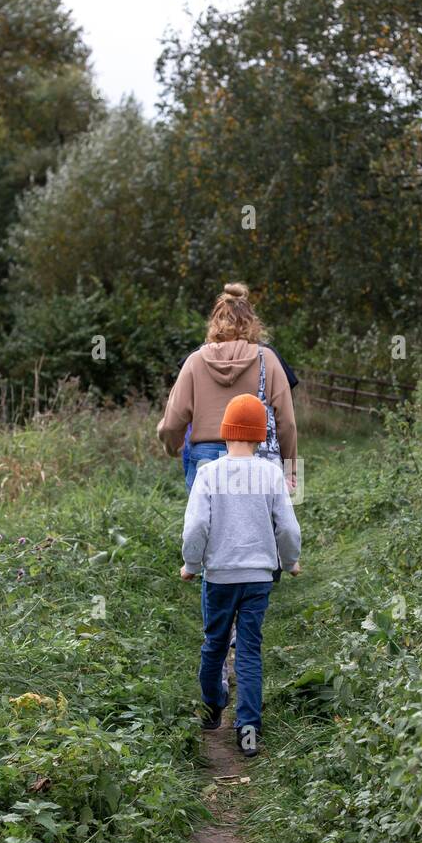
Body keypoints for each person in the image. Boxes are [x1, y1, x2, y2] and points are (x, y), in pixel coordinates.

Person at [181, 393, 301, 757]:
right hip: (258, 578)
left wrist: (192, 564)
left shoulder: (208, 473)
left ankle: (212, 708)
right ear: (261, 436)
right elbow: (288, 528)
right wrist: (290, 560)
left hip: (218, 577)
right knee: (249, 651)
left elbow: (196, 526)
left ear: (224, 432)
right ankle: (248, 730)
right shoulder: (270, 474)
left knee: (214, 645)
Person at [158, 283, 298, 491]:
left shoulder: (194, 362)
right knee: (257, 522)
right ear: (251, 323)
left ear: (214, 323)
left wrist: (172, 447)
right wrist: (291, 470)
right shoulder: (267, 360)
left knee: (204, 522)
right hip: (254, 457)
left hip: (204, 459)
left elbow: (171, 424)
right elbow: (286, 423)